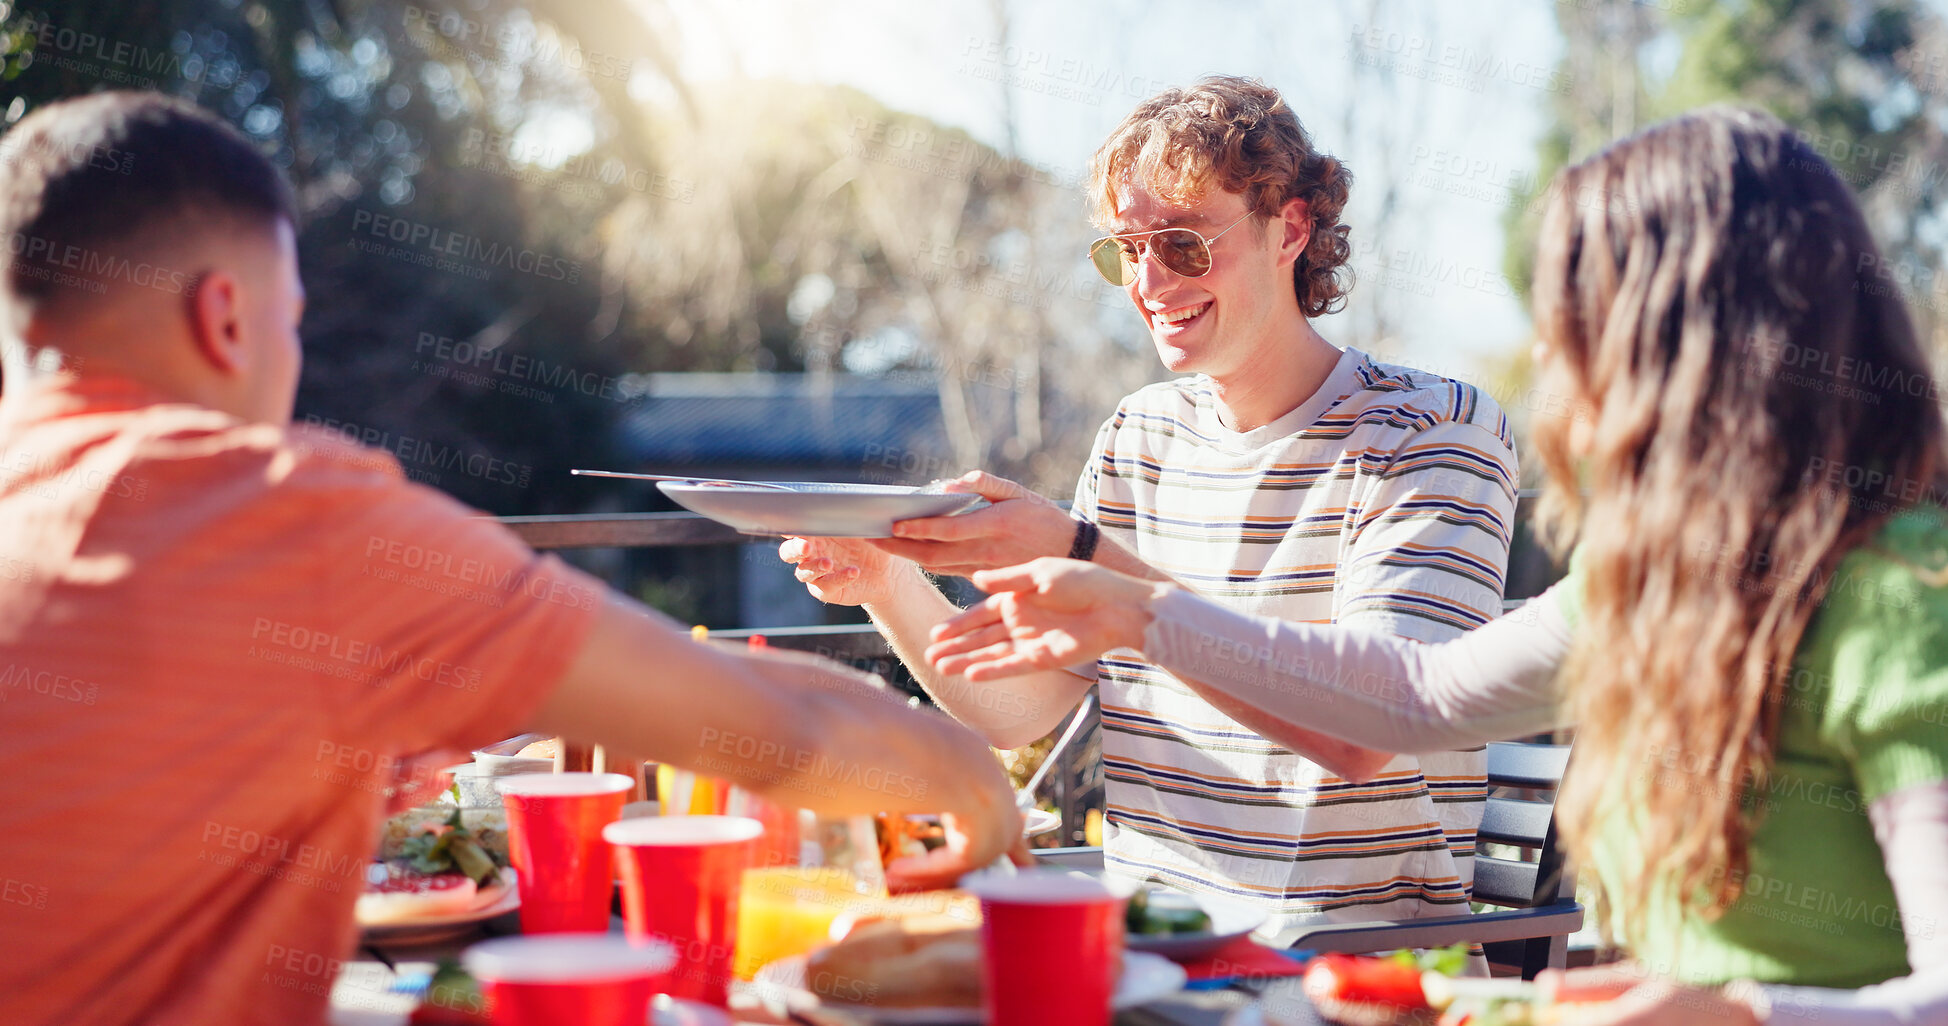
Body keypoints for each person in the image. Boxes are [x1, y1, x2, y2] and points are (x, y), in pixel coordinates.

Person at [0, 91, 1022, 1026]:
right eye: (291, 323)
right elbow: (772, 730)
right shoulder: (273, 511)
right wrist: (966, 771)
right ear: (225, 316)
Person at [925, 105, 1948, 1024]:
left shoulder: (1904, 605)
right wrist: (1124, 608)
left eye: (1580, 319)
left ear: (1694, 350)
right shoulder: (1655, 585)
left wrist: (1742, 1016)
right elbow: (1412, 698)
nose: (1553, 362)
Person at [783, 76, 1518, 941]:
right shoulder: (1142, 436)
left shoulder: (1432, 432)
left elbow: (1375, 727)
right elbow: (1023, 709)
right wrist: (887, 580)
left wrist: (1090, 563)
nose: (1149, 281)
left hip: (1342, 969)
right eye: (1126, 250)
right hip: (1146, 956)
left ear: (1292, 227)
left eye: (1182, 244)